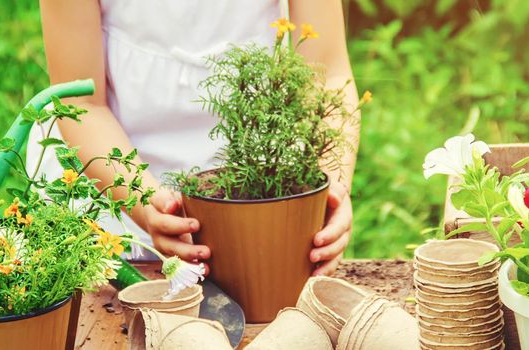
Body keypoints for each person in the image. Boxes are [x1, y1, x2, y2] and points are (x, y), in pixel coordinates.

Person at [31, 0, 360, 276]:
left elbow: (327, 74)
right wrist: (146, 205)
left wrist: (331, 187)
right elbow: (83, 104)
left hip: (258, 186)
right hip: (114, 183)